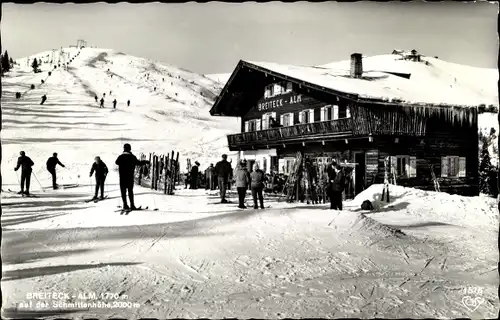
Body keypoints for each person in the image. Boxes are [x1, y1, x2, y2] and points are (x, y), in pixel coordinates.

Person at [115, 143, 143, 210]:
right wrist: (145, 162)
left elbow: (116, 162)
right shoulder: (132, 157)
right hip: (130, 177)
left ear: (124, 149)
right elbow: (138, 163)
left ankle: (125, 205)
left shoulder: (120, 157)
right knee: (130, 191)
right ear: (130, 149)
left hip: (122, 177)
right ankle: (132, 205)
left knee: (123, 191)